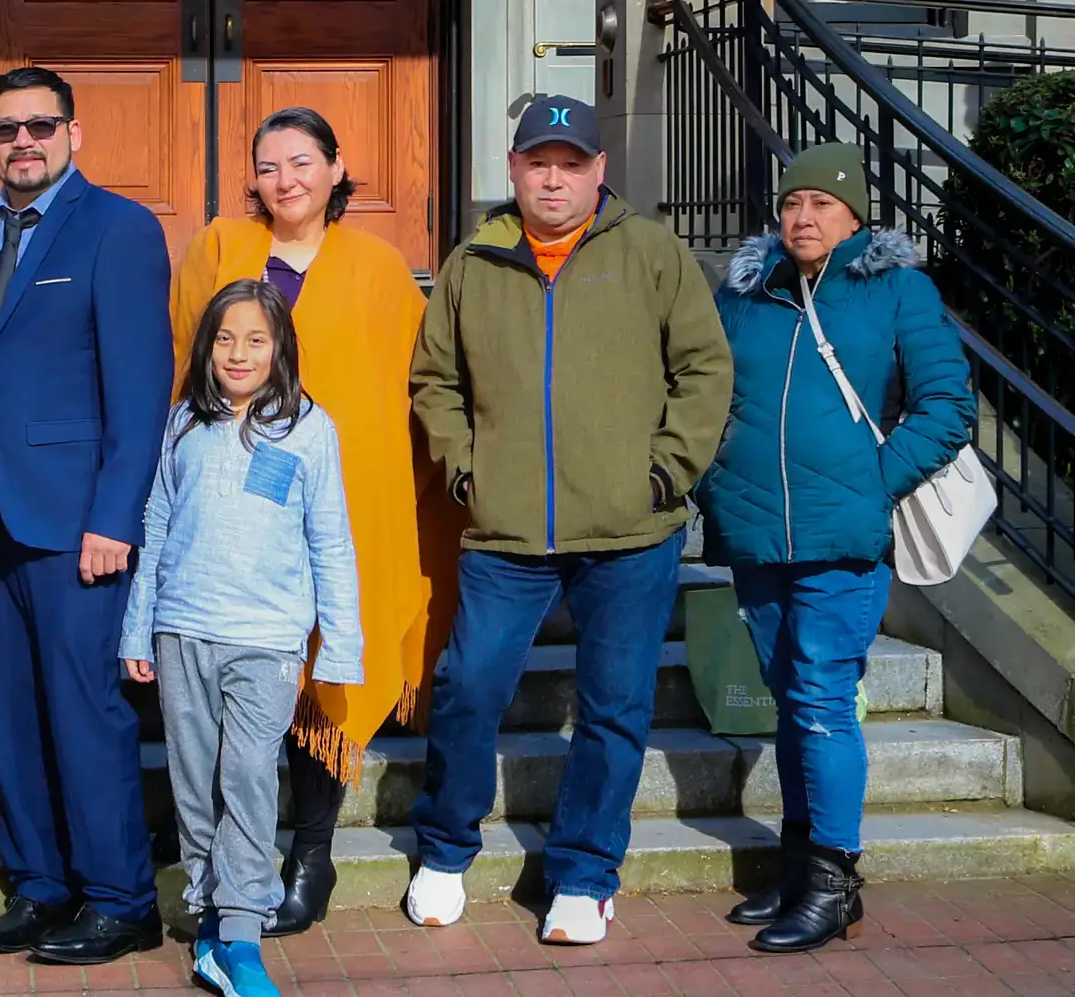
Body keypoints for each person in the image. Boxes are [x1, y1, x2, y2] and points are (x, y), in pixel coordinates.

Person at [405, 94, 732, 944]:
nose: (554, 178)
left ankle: (584, 874)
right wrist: (466, 468)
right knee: (469, 686)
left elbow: (704, 370)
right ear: (513, 170)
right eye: (537, 163)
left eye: (571, 163)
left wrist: (667, 474)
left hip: (630, 530)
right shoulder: (475, 260)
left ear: (599, 171)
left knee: (615, 703)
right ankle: (445, 847)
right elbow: (434, 380)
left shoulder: (653, 252)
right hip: (507, 532)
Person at [167, 107, 463, 936]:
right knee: (252, 678)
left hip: (347, 496)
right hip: (237, 509)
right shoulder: (220, 249)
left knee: (326, 670)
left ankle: (312, 853)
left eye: (303, 162)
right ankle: (233, 857)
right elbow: (185, 358)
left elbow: (411, 384)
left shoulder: (377, 266)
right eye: (268, 166)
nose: (285, 180)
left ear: (337, 169)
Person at [700, 143, 974, 954]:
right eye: (792, 203)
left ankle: (831, 878)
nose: (803, 217)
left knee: (821, 699)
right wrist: (712, 482)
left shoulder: (895, 290)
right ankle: (798, 864)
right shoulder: (748, 294)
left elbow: (947, 406)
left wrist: (871, 484)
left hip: (845, 539)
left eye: (822, 203)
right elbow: (707, 391)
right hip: (754, 532)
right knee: (792, 697)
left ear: (855, 215)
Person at [0, 66, 173, 965]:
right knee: (10, 710)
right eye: (6, 129)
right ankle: (42, 886)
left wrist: (114, 515)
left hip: (78, 519)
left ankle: (121, 896)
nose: (24, 143)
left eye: (41, 126)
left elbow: (141, 387)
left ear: (73, 134)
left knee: (85, 710)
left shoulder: (118, 229)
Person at [123, 280, 364, 997]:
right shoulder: (181, 425)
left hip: (266, 639)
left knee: (249, 780)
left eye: (256, 339)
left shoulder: (309, 428)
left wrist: (340, 644)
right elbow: (155, 528)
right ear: (206, 346)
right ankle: (206, 921)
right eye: (226, 337)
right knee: (194, 784)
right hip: (182, 629)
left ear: (281, 347)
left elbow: (331, 541)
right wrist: (139, 623)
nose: (239, 352)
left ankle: (243, 932)